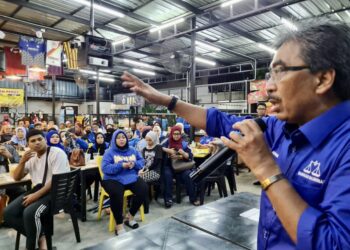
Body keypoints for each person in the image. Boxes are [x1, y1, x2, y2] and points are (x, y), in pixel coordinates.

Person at [121, 20, 350, 249]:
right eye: (269, 75)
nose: (268, 86)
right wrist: (167, 101)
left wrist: (265, 168)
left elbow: (334, 244)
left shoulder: (344, 148)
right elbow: (220, 122)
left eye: (279, 72)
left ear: (322, 79)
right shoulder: (280, 127)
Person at [4, 129, 70, 250]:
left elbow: (56, 180)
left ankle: (33, 246)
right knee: (8, 213)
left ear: (45, 140)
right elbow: (17, 177)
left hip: (56, 193)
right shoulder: (32, 157)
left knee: (29, 213)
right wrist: (22, 161)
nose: (37, 142)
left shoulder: (57, 153)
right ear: (28, 144)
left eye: (40, 139)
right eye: (33, 141)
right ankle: (41, 237)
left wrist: (35, 196)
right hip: (38, 189)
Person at [101, 130, 148, 235]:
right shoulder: (109, 152)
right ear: (114, 139)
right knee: (117, 193)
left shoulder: (132, 150)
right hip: (112, 178)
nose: (121, 139)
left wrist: (134, 164)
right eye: (118, 137)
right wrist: (121, 165)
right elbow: (105, 168)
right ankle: (119, 224)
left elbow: (141, 161)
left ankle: (130, 216)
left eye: (123, 137)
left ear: (126, 139)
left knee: (143, 188)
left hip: (130, 177)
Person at [162, 126, 199, 208]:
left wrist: (182, 155)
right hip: (169, 166)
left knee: (189, 175)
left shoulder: (183, 143)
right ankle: (168, 199)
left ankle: (193, 198)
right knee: (167, 175)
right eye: (174, 134)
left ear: (180, 134)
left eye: (178, 134)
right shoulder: (167, 142)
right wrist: (168, 150)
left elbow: (190, 156)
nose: (176, 136)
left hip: (181, 166)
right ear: (171, 134)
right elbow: (159, 147)